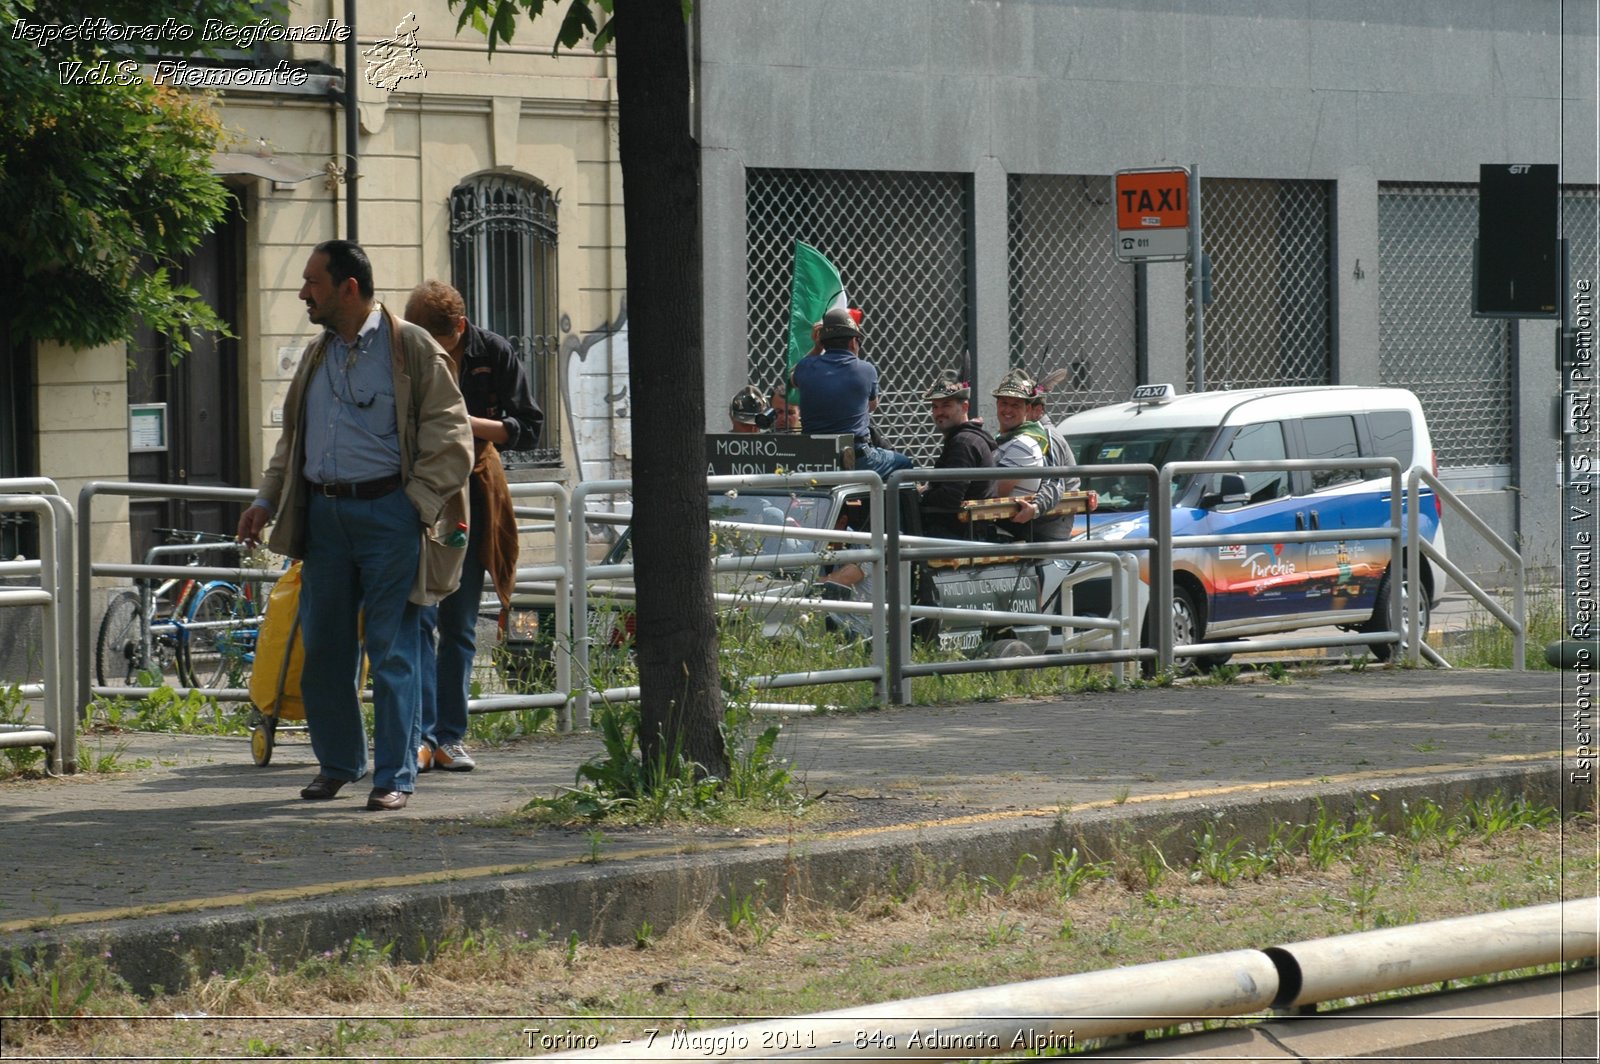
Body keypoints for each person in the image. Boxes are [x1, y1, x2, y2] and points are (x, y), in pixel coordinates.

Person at [236, 240, 473, 812]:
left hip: (390, 516)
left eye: (312, 281)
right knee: (324, 651)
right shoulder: (316, 354)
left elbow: (453, 439)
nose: (302, 293)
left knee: (394, 651)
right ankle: (340, 764)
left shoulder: (410, 346)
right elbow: (292, 443)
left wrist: (412, 506)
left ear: (348, 287)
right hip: (324, 519)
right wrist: (266, 502)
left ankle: (394, 776)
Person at [405, 281, 544, 774]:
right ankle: (417, 738)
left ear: (459, 330)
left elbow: (529, 427)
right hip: (420, 491)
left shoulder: (494, 352)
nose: (424, 351)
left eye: (434, 342)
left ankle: (450, 738)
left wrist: (463, 422)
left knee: (459, 622)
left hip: (473, 494)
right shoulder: (404, 349)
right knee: (418, 617)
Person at [791, 307, 913, 479]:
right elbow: (872, 406)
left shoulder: (806, 367)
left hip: (815, 458)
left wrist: (816, 348)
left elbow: (792, 377)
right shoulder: (866, 370)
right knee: (904, 463)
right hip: (856, 459)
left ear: (822, 340)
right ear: (853, 342)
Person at [990, 368, 1076, 541]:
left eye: (1018, 405)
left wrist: (1035, 508)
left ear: (1035, 410)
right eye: (1004, 403)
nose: (1009, 410)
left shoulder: (1042, 436)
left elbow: (1054, 481)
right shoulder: (1013, 436)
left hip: (1043, 528)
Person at [918, 370, 996, 538]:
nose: (939, 412)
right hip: (960, 530)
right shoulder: (963, 438)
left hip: (959, 535)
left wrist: (921, 495)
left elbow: (950, 496)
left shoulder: (964, 442)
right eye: (935, 406)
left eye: (946, 405)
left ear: (965, 407)